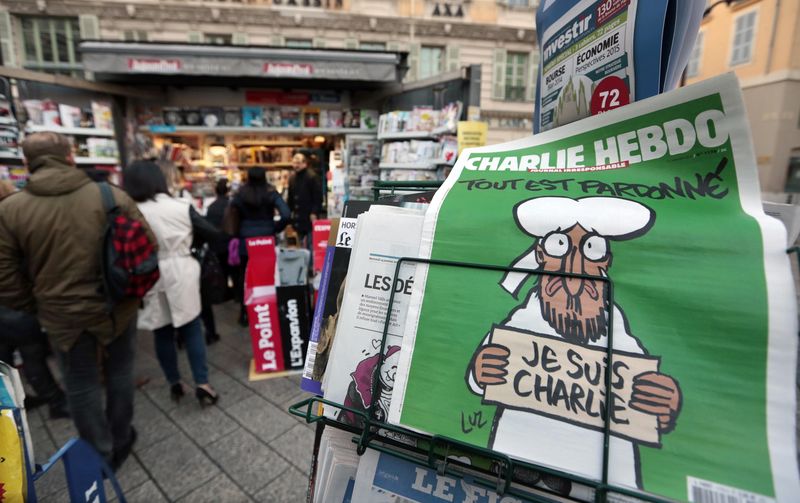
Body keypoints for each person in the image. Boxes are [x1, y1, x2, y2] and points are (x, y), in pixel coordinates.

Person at [467, 196, 681, 494]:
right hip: (515, 466)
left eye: (590, 250)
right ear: (541, 253)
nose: (574, 266)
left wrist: (663, 400)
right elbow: (481, 372)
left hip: (599, 481)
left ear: (606, 260)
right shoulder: (524, 317)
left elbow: (643, 382)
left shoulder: (616, 327)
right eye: (560, 247)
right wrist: (481, 370)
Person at [0, 132, 155, 469]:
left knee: (81, 384)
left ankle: (99, 452)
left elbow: (5, 275)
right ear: (70, 156)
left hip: (61, 317)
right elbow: (147, 249)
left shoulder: (11, 210)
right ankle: (121, 437)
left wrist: (35, 304)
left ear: (27, 162)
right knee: (120, 373)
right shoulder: (110, 196)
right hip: (117, 308)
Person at [123, 160, 221, 406]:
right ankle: (202, 383)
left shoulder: (130, 210)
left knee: (162, 331)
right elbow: (211, 232)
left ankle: (174, 382)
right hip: (181, 268)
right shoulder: (180, 206)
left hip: (149, 271)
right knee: (191, 327)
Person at [228, 167, 291, 325]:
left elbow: (230, 212)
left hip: (245, 241)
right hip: (266, 241)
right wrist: (274, 228)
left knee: (245, 277)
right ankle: (269, 310)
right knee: (268, 275)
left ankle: (245, 313)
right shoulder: (271, 192)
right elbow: (286, 214)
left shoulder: (240, 193)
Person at [199, 179, 232, 344]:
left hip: (216, 245)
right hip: (229, 243)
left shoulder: (211, 207)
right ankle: (230, 294)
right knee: (232, 269)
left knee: (222, 271)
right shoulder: (231, 204)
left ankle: (223, 293)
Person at [287, 152, 322, 248]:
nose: (296, 165)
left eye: (298, 163)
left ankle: (310, 262)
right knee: (299, 243)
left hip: (309, 215)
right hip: (298, 216)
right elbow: (290, 197)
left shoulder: (312, 177)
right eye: (294, 163)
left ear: (304, 163)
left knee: (311, 243)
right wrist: (289, 212)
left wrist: (314, 212)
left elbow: (317, 197)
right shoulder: (292, 178)